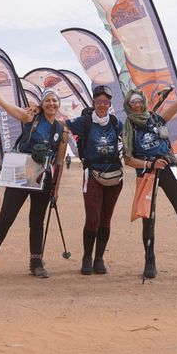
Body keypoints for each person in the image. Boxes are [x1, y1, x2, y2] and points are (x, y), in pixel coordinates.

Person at [0, 72, 68, 279]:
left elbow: (59, 162)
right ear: (42, 104)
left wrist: (56, 188)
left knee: (37, 220)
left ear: (59, 104)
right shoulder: (30, 118)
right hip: (21, 172)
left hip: (44, 177)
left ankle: (36, 263)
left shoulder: (62, 130)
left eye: (54, 100)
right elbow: (4, 104)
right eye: (48, 100)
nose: (51, 104)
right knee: (6, 216)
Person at [123, 64, 177, 280]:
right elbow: (128, 159)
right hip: (147, 174)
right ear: (128, 105)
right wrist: (149, 165)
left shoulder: (157, 118)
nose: (137, 105)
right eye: (133, 102)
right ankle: (149, 262)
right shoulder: (129, 127)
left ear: (144, 102)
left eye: (139, 101)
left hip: (168, 170)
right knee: (148, 218)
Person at [64, 85, 124, 275]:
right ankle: (87, 257)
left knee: (106, 219)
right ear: (94, 102)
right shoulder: (85, 121)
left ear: (110, 103)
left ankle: (99, 259)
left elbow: (130, 138)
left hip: (114, 177)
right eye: (99, 101)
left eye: (106, 101)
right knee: (92, 218)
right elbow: (63, 125)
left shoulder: (116, 123)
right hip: (92, 175)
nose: (102, 105)